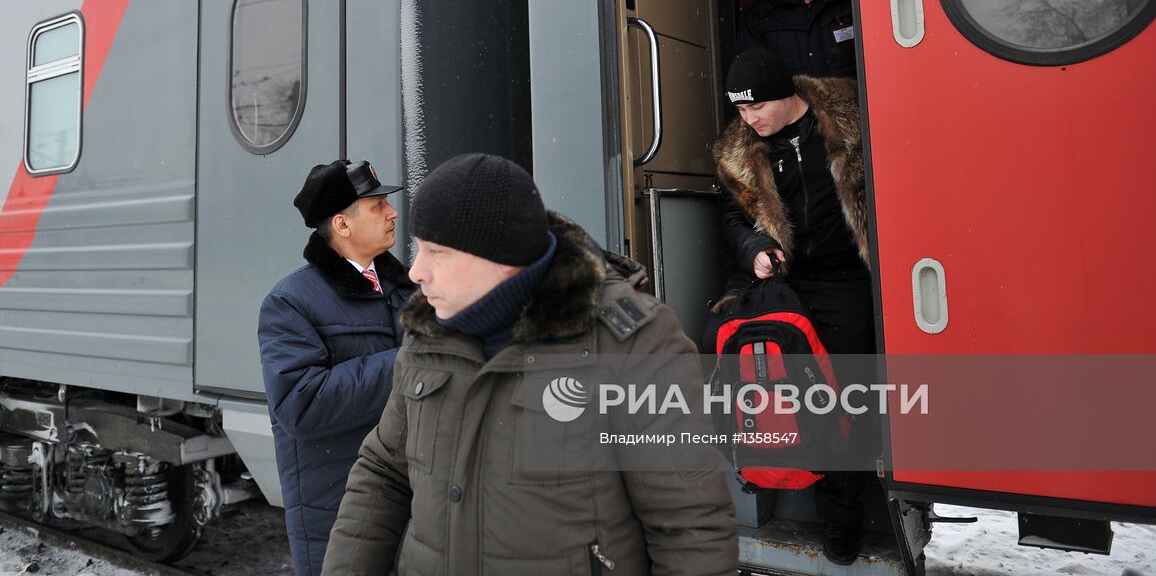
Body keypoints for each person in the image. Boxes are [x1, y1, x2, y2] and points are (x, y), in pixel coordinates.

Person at [323, 153, 738, 575]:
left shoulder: (633, 343)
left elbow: (690, 527)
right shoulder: (427, 331)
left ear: (503, 258)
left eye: (438, 252)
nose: (418, 271)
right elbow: (383, 473)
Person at [712, 47, 874, 566]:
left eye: (757, 107)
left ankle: (841, 519)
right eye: (740, 110)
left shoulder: (849, 122)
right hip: (786, 281)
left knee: (846, 397)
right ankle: (766, 479)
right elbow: (732, 219)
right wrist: (754, 248)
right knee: (774, 389)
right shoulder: (741, 149)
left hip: (847, 281)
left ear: (788, 95)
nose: (749, 119)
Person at [258, 159, 414, 576]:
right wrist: (410, 363)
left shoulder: (406, 289)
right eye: (378, 205)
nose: (392, 212)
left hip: (411, 497)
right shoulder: (290, 302)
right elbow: (300, 405)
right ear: (342, 225)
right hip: (340, 513)